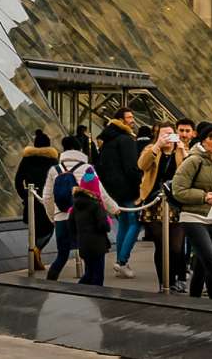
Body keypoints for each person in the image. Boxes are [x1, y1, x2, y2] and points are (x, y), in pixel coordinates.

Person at [171, 123, 212, 300]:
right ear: (203, 140)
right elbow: (179, 189)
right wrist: (205, 196)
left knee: (201, 266)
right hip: (193, 217)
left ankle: (195, 304)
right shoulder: (193, 160)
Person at [43, 136, 117, 281]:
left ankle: (49, 283)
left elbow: (47, 197)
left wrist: (53, 216)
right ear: (80, 150)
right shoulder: (86, 168)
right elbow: (100, 193)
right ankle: (88, 287)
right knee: (89, 257)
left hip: (61, 218)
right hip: (83, 220)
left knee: (61, 255)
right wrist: (115, 209)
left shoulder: (54, 169)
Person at [137, 121, 186, 291]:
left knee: (176, 246)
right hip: (154, 202)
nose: (167, 138)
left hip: (176, 203)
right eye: (163, 135)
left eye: (170, 134)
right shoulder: (151, 150)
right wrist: (157, 146)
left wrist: (181, 150)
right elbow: (141, 165)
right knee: (161, 245)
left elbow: (188, 172)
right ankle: (164, 282)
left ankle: (174, 279)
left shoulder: (180, 151)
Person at [96, 107, 142, 278]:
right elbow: (131, 167)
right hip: (128, 189)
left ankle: (120, 260)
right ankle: (122, 261)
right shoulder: (126, 140)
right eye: (129, 117)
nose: (132, 120)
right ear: (121, 120)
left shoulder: (107, 140)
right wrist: (139, 185)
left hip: (113, 190)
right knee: (135, 223)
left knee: (123, 223)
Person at [14, 129, 58, 270]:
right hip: (47, 199)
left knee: (34, 229)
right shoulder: (52, 160)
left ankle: (35, 253)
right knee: (49, 228)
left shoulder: (27, 159)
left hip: (32, 199)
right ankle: (37, 250)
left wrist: (25, 195)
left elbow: (18, 180)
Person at [68, 168, 111, 286]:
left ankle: (82, 293)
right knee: (97, 275)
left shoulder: (75, 205)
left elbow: (70, 225)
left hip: (83, 245)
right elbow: (104, 225)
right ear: (95, 187)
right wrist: (107, 226)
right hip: (97, 245)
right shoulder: (96, 205)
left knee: (89, 273)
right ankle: (95, 297)